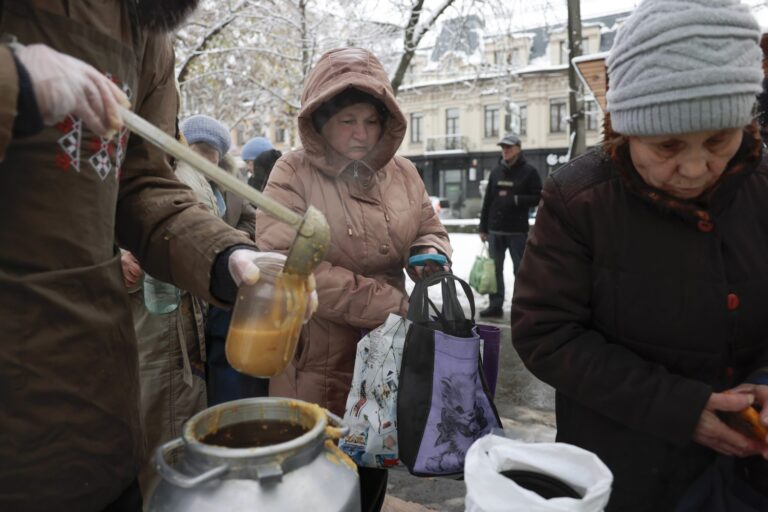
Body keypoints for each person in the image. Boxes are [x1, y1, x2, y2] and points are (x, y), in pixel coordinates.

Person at [0, 3, 313, 511]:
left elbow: (141, 185)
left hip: (90, 388)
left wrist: (226, 255)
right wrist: (15, 79)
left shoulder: (146, 28)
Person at [510, 0, 768, 510]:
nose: (697, 168)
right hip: (625, 471)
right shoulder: (577, 198)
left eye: (718, 140)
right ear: (624, 129)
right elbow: (546, 333)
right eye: (668, 147)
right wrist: (679, 408)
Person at [255, 47, 452, 512]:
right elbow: (290, 263)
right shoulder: (292, 172)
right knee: (314, 486)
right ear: (320, 119)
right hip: (317, 360)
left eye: (370, 120)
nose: (361, 134)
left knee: (369, 475)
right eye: (347, 120)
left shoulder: (402, 173)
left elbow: (429, 226)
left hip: (386, 359)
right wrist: (389, 303)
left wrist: (430, 253)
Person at [177, 115, 270, 404]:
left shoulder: (230, 187)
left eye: (211, 154)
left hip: (225, 289)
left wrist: (230, 240)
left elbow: (252, 220)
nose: (205, 160)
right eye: (199, 151)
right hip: (186, 292)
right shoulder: (176, 181)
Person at [478, 133, 542, 318]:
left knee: (520, 271)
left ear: (518, 149)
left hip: (517, 232)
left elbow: (538, 197)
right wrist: (483, 228)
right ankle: (495, 306)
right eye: (503, 148)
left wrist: (515, 199)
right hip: (495, 230)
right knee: (495, 270)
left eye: (509, 147)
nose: (505, 151)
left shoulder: (530, 172)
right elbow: (488, 200)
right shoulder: (496, 171)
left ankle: (520, 307)